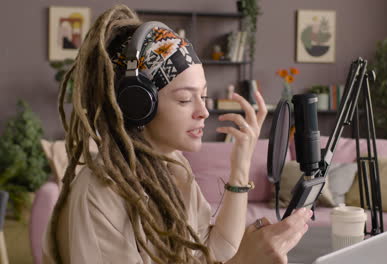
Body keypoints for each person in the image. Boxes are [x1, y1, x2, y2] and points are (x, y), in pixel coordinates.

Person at [43, 4, 311, 264]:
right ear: (137, 105)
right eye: (185, 99)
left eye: (203, 96)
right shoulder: (100, 193)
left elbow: (216, 253)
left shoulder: (174, 168)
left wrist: (240, 167)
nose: (203, 111)